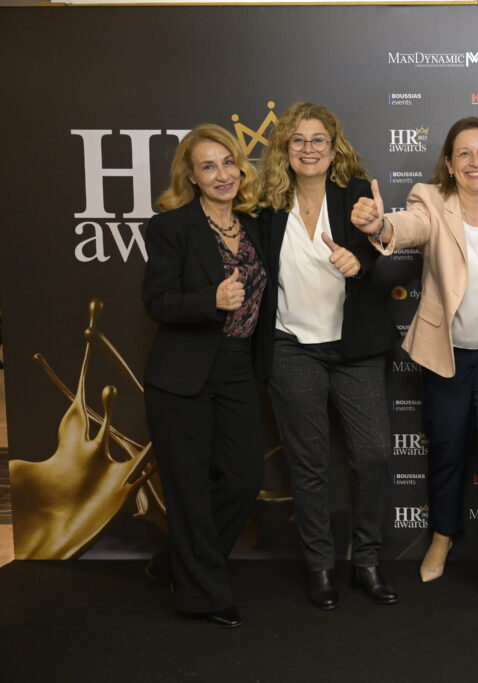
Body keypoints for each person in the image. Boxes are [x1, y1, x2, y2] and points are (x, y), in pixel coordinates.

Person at [351, 117, 478, 621]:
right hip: (449, 351)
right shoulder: (432, 201)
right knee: (447, 448)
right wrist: (380, 227)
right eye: (464, 153)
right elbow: (408, 227)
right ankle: (442, 533)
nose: (475, 161)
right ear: (450, 165)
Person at [254, 102, 398, 610]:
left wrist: (363, 253)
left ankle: (367, 560)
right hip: (291, 346)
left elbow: (380, 258)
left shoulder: (356, 195)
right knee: (309, 463)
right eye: (298, 139)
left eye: (318, 139)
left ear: (334, 148)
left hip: (354, 347)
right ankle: (319, 566)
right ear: (285, 148)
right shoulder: (268, 203)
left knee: (375, 455)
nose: (308, 148)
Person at [142, 124, 266, 628]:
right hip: (182, 372)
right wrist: (210, 299)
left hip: (237, 367)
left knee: (244, 477)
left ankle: (180, 560)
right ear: (191, 177)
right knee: (189, 488)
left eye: (228, 162)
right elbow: (157, 301)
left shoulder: (254, 225)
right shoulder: (171, 227)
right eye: (208, 167)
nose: (222, 174)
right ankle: (202, 594)